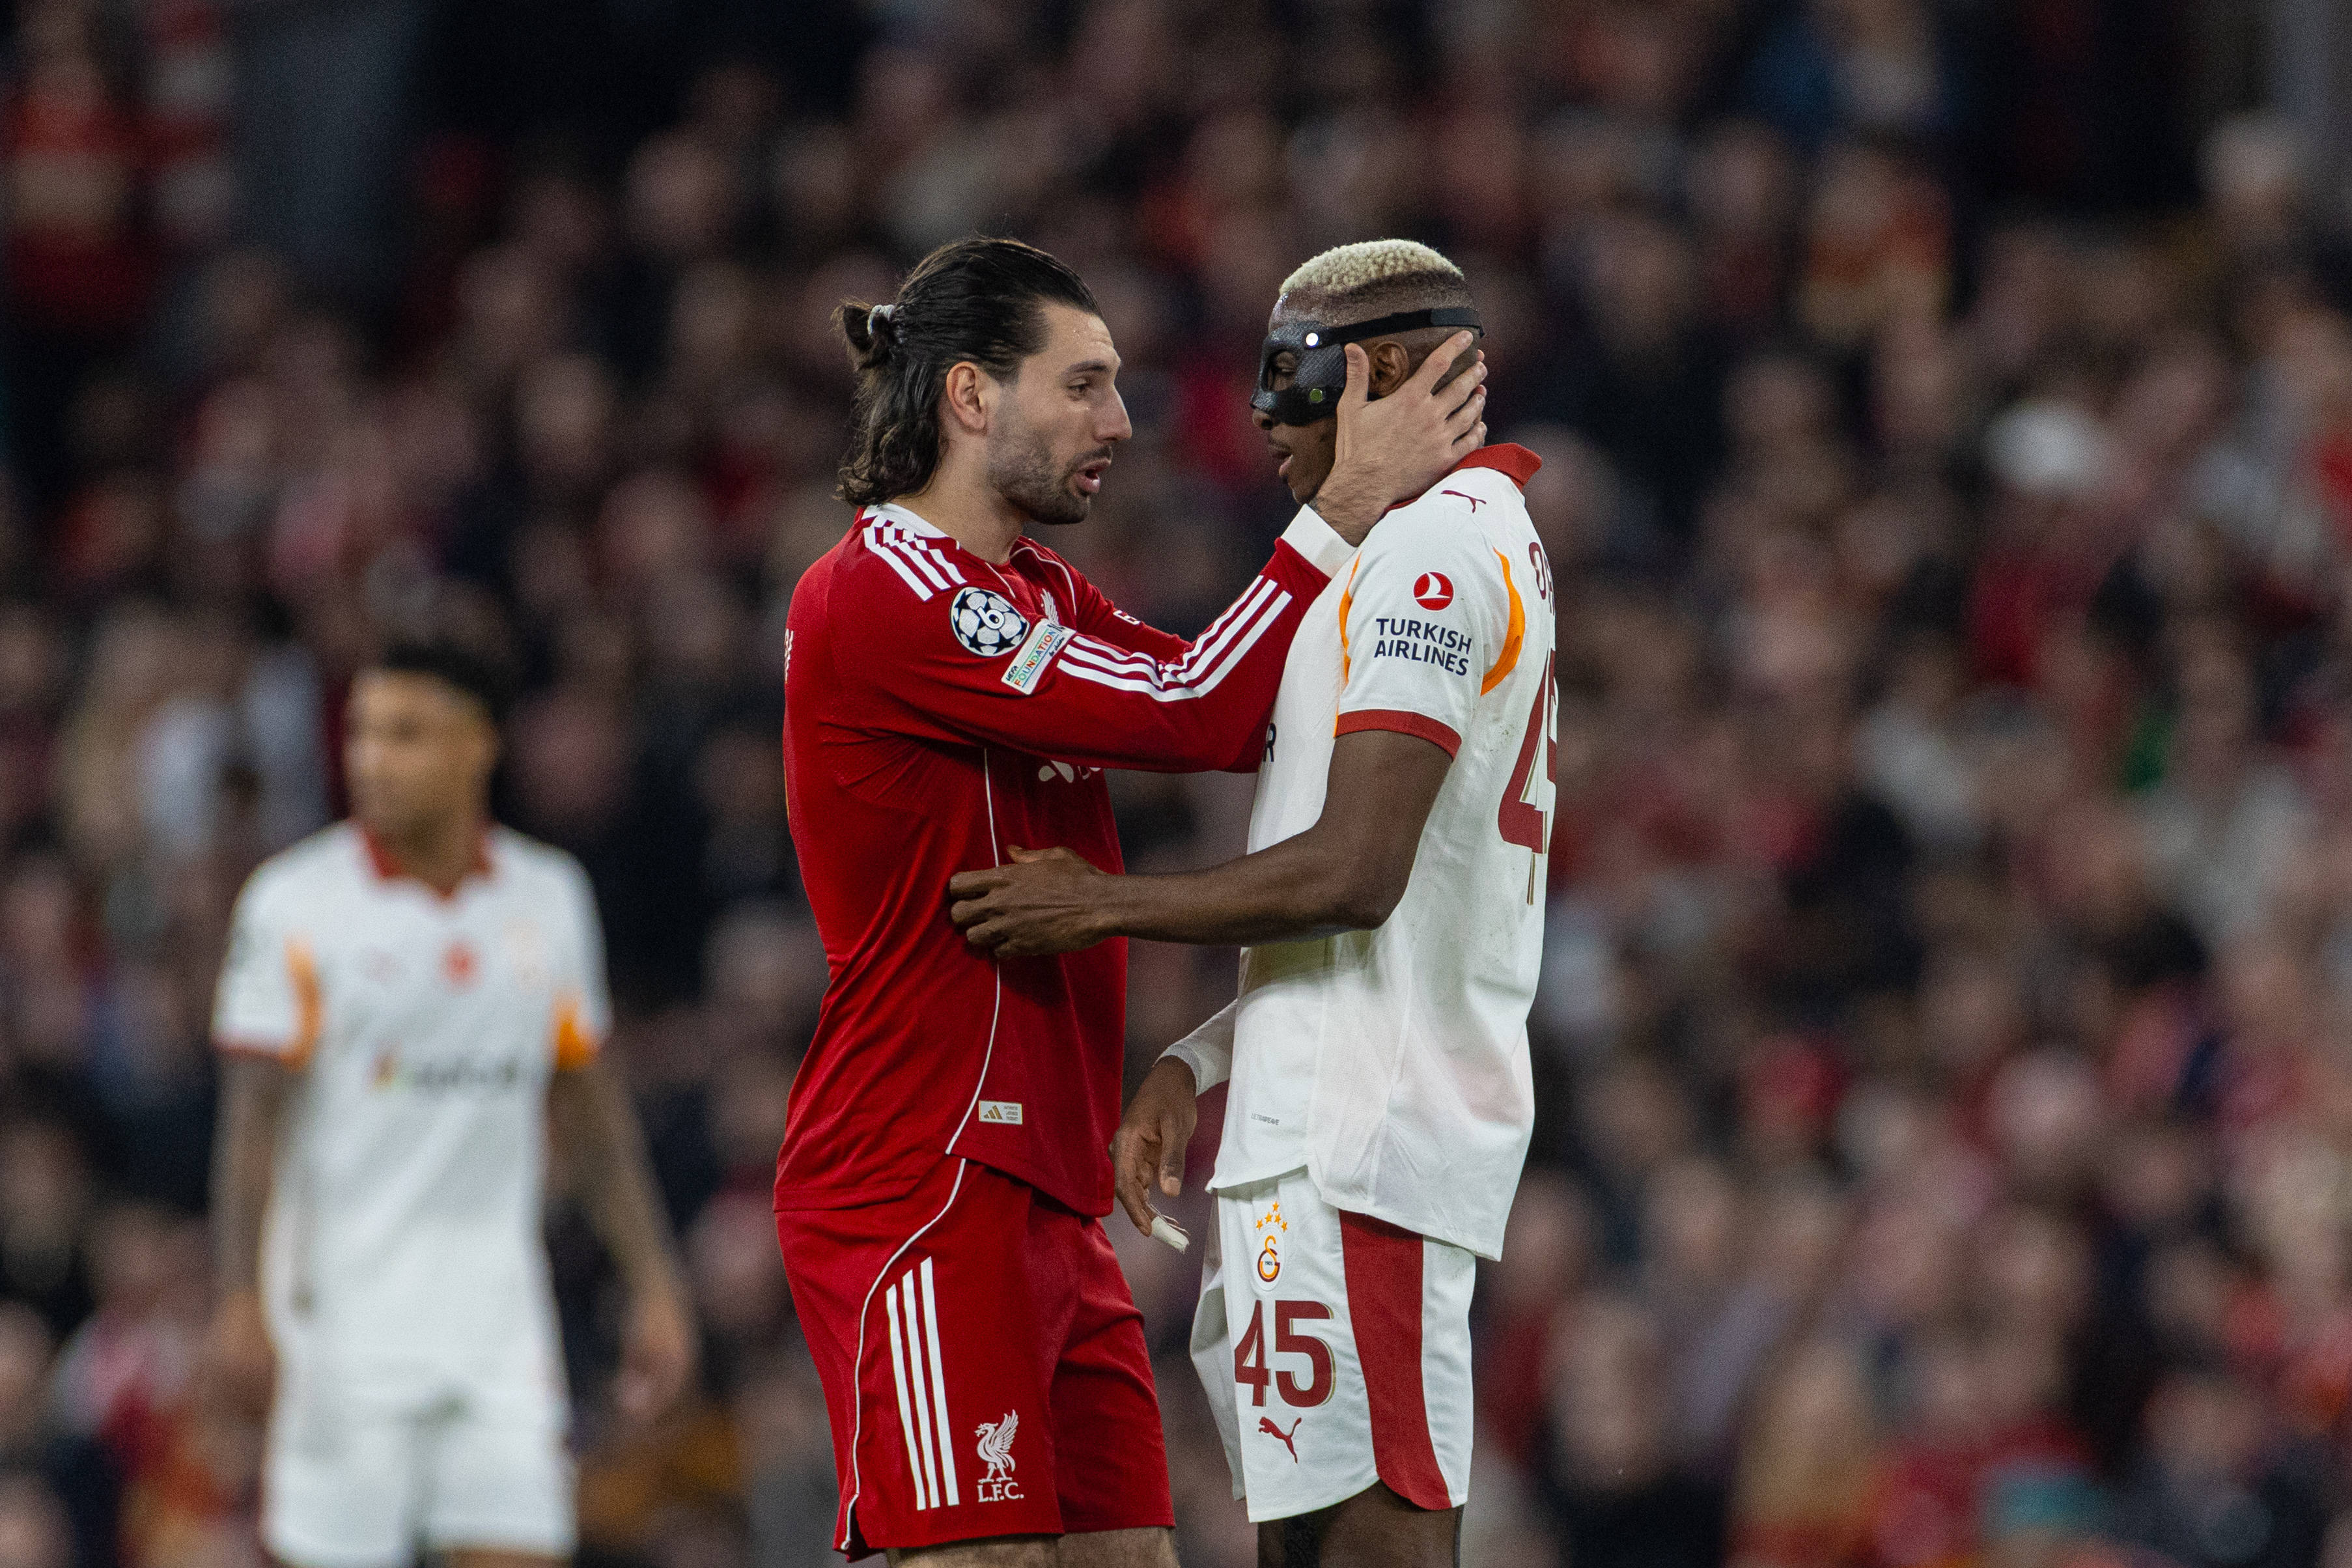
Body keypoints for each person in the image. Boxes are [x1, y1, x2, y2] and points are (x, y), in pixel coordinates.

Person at [774, 234, 1485, 1568]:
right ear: (971, 398)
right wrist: (1341, 509)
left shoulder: (1034, 591)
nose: (1123, 419)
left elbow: (1237, 696)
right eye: (1085, 385)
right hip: (919, 1173)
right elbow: (1199, 707)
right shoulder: (888, 589)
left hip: (1048, 1181)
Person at [946, 240, 1555, 1567]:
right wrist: (1204, 1055)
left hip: (1366, 1140)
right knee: (1306, 1548)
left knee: (1376, 1543)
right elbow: (1362, 908)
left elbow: (1359, 869)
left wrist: (1100, 905)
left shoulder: (1435, 556)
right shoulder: (1395, 554)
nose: (1268, 414)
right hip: (1310, 1131)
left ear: (1386, 371)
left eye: (1297, 373)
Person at [203, 639, 696, 1568]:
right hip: (339, 1335)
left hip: (497, 1329)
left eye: (406, 734)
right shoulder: (294, 904)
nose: (370, 759)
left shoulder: (548, 897)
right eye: (361, 733)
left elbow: (592, 1116)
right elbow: (250, 1125)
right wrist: (237, 1299)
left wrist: (656, 1282)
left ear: (478, 745)